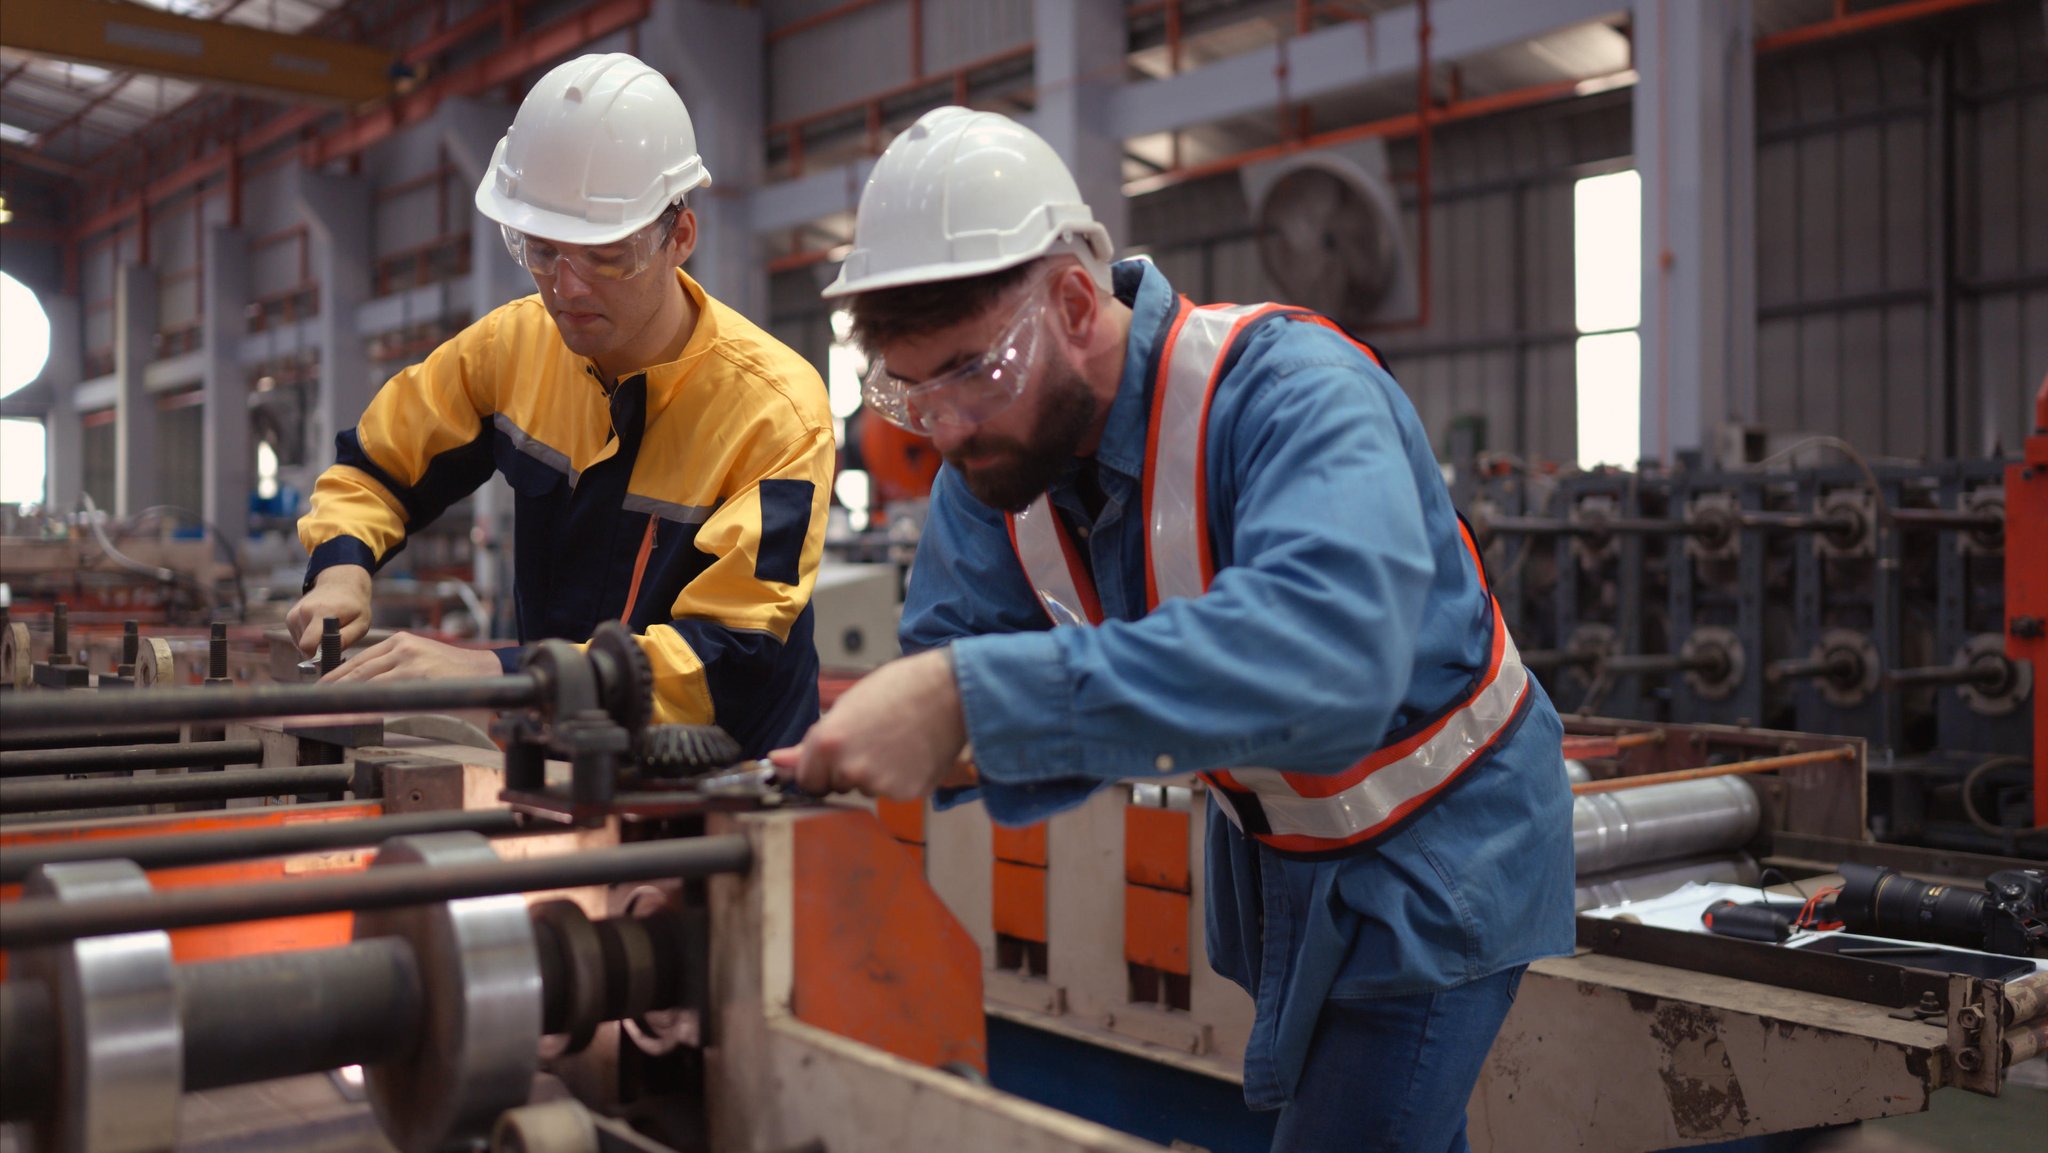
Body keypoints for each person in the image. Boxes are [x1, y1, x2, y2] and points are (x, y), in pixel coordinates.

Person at [773, 107, 1576, 1151]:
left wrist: (966, 701)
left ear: (1070, 301)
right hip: (1280, 860)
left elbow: (1327, 656)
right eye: (909, 391)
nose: (948, 426)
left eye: (972, 370)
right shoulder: (994, 458)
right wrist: (858, 754)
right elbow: (947, 667)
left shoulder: (1294, 393)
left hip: (1441, 850)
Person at [288, 53, 833, 756]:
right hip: (558, 770)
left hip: (729, 793)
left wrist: (498, 673)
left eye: (606, 255)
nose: (566, 288)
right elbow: (378, 465)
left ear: (681, 238)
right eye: (542, 251)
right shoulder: (513, 349)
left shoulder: (774, 413)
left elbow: (730, 658)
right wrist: (340, 569)